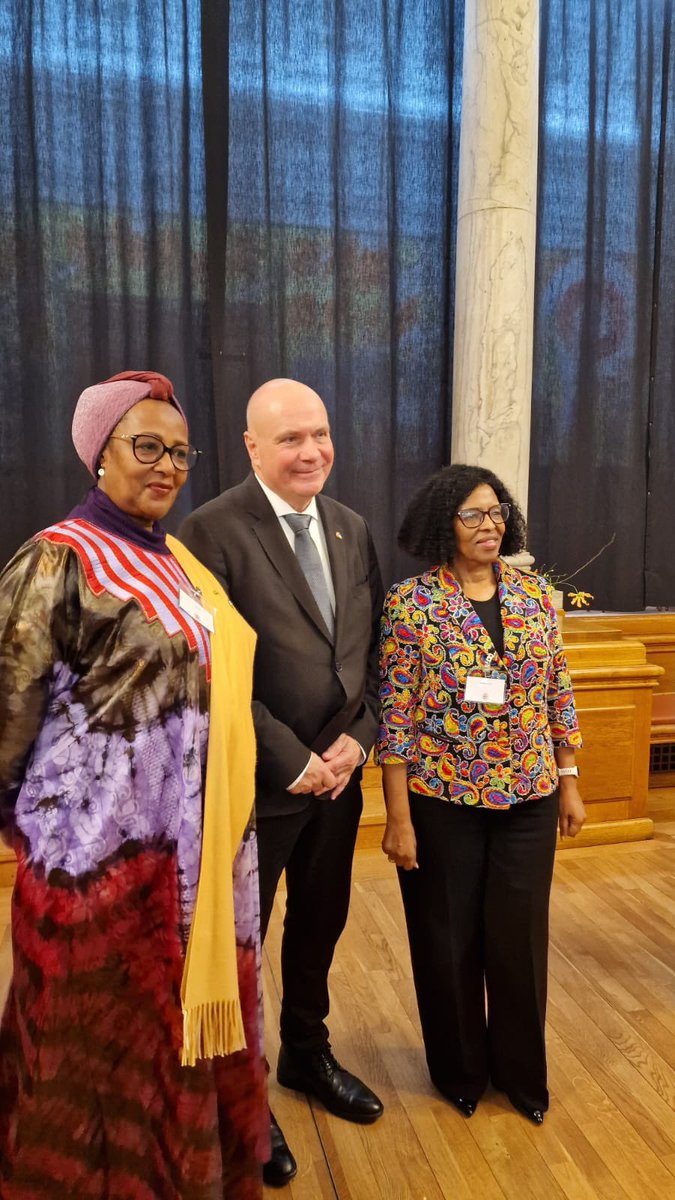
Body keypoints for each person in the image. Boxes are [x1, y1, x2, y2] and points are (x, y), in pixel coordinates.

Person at [0, 370, 268, 1199]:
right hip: (99, 865)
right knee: (96, 1038)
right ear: (99, 453)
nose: (166, 466)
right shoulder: (59, 557)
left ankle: (184, 1171)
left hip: (202, 858)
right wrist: (47, 831)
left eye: (179, 452)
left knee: (178, 1031)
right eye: (145, 446)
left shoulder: (180, 561)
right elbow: (9, 706)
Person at [179, 377, 384, 1187]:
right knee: (245, 945)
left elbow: (364, 658)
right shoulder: (210, 529)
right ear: (252, 446)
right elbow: (211, 665)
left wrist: (355, 747)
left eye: (320, 434)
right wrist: (292, 759)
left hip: (340, 782)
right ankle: (243, 1095)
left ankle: (306, 1051)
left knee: (321, 924)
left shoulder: (350, 526)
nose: (311, 451)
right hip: (260, 786)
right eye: (290, 438)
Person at [377, 463, 585, 1126]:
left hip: (528, 795)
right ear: (445, 523)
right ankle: (460, 1072)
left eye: (496, 512)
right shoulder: (410, 603)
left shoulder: (532, 597)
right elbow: (396, 714)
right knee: (447, 938)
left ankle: (522, 1078)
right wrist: (398, 818)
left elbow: (557, 690)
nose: (488, 525)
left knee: (518, 940)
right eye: (472, 514)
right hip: (442, 802)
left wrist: (569, 779)